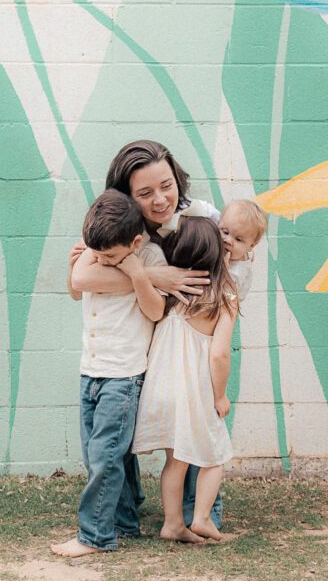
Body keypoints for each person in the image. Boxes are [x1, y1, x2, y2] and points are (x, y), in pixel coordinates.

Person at [68, 139, 225, 529]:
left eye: (167, 185)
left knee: (193, 421)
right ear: (125, 196)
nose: (160, 200)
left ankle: (199, 512)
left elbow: (219, 278)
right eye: (145, 193)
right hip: (133, 351)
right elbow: (82, 276)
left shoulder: (198, 220)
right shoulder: (115, 225)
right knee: (114, 441)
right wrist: (153, 275)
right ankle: (125, 512)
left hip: (186, 343)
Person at [51, 189, 165, 558]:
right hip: (91, 370)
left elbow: (155, 312)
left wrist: (136, 273)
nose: (102, 260)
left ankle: (95, 535)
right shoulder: (95, 251)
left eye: (110, 256)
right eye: (96, 253)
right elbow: (75, 293)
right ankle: (125, 521)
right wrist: (75, 268)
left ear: (132, 243)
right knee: (102, 454)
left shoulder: (148, 256)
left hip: (123, 375)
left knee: (105, 455)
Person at [132, 216, 237, 543]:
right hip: (195, 392)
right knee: (215, 455)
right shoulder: (223, 298)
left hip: (160, 389)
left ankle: (173, 523)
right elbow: (219, 355)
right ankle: (202, 517)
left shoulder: (170, 294)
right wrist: (220, 396)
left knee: (175, 461)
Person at [219, 199, 268, 302]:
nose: (228, 240)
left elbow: (229, 298)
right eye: (225, 232)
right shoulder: (241, 251)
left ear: (251, 245)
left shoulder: (237, 272)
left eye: (238, 239)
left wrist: (223, 271)